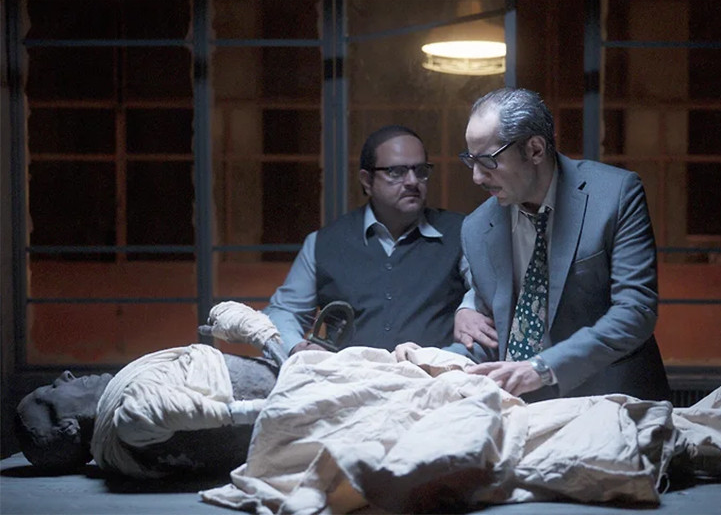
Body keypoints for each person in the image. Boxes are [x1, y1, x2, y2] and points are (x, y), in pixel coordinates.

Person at [405, 87, 671, 403]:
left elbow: (636, 312)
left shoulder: (615, 195)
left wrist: (542, 368)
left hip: (617, 401)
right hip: (524, 409)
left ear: (534, 149)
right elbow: (491, 337)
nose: (476, 177)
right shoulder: (477, 228)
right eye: (470, 160)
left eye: (488, 160)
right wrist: (429, 361)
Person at [264, 125, 473, 355]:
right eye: (396, 172)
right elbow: (283, 311)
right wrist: (298, 348)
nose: (412, 181)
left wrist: (446, 356)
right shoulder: (324, 243)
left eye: (421, 170)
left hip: (434, 373)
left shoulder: (461, 233)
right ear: (366, 180)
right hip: (346, 375)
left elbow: (487, 302)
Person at [14, 302, 288, 478]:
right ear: (68, 428)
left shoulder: (126, 435)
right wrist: (284, 400)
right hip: (292, 402)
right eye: (52, 391)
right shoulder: (129, 419)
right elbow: (173, 410)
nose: (65, 376)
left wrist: (263, 338)